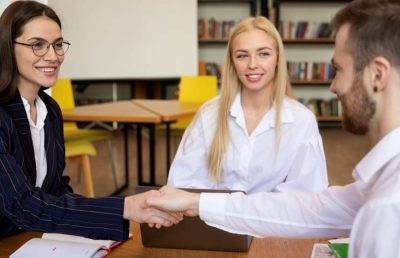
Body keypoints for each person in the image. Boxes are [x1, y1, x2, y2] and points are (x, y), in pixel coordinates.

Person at [147, 0, 400, 257]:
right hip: (212, 235)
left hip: (275, 241)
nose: (332, 86)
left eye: (337, 70)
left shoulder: (388, 205)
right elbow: (313, 208)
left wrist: (197, 202)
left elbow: (307, 206)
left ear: (378, 75)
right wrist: (195, 202)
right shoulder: (377, 188)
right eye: (243, 55)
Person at [0, 1, 180, 241]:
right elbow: (21, 204)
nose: (53, 56)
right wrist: (125, 207)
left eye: (57, 45)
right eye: (37, 45)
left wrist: (88, 231)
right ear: (7, 48)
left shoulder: (50, 110)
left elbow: (56, 189)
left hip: (30, 238)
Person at [168, 16, 328, 194]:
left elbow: (306, 197)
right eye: (242, 56)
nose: (252, 64)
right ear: (233, 62)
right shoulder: (209, 114)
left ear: (277, 59)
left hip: (270, 221)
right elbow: (183, 183)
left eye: (263, 54)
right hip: (210, 220)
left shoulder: (302, 121)